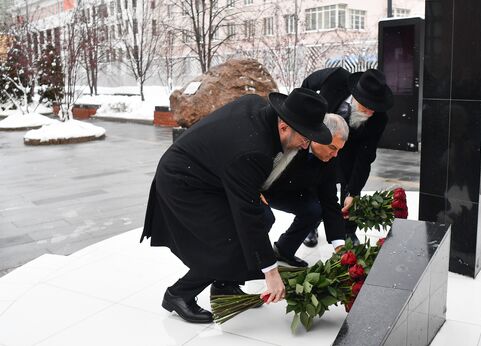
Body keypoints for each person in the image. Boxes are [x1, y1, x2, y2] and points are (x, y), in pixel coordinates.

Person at [140, 88, 331, 324]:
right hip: (183, 181)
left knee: (264, 218)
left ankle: (224, 285)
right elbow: (246, 214)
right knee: (228, 242)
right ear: (284, 127)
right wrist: (271, 271)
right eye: (305, 138)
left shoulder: (259, 109)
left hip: (210, 175)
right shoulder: (254, 150)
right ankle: (178, 294)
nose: (305, 146)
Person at [301, 68, 394, 246]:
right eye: (368, 107)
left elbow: (365, 157)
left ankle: (349, 229)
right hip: (321, 139)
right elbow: (307, 86)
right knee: (312, 181)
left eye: (376, 107)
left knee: (350, 192)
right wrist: (305, 117)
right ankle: (310, 225)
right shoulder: (334, 78)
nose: (372, 112)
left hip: (351, 150)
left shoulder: (379, 119)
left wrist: (353, 192)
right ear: (357, 96)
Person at [263, 113, 349, 267]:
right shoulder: (295, 140)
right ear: (318, 136)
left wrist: (340, 246)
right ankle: (247, 261)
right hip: (261, 186)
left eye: (338, 150)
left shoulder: (330, 159)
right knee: (263, 217)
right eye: (332, 148)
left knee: (313, 210)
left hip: (287, 191)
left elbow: (330, 201)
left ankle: (283, 250)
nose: (335, 154)